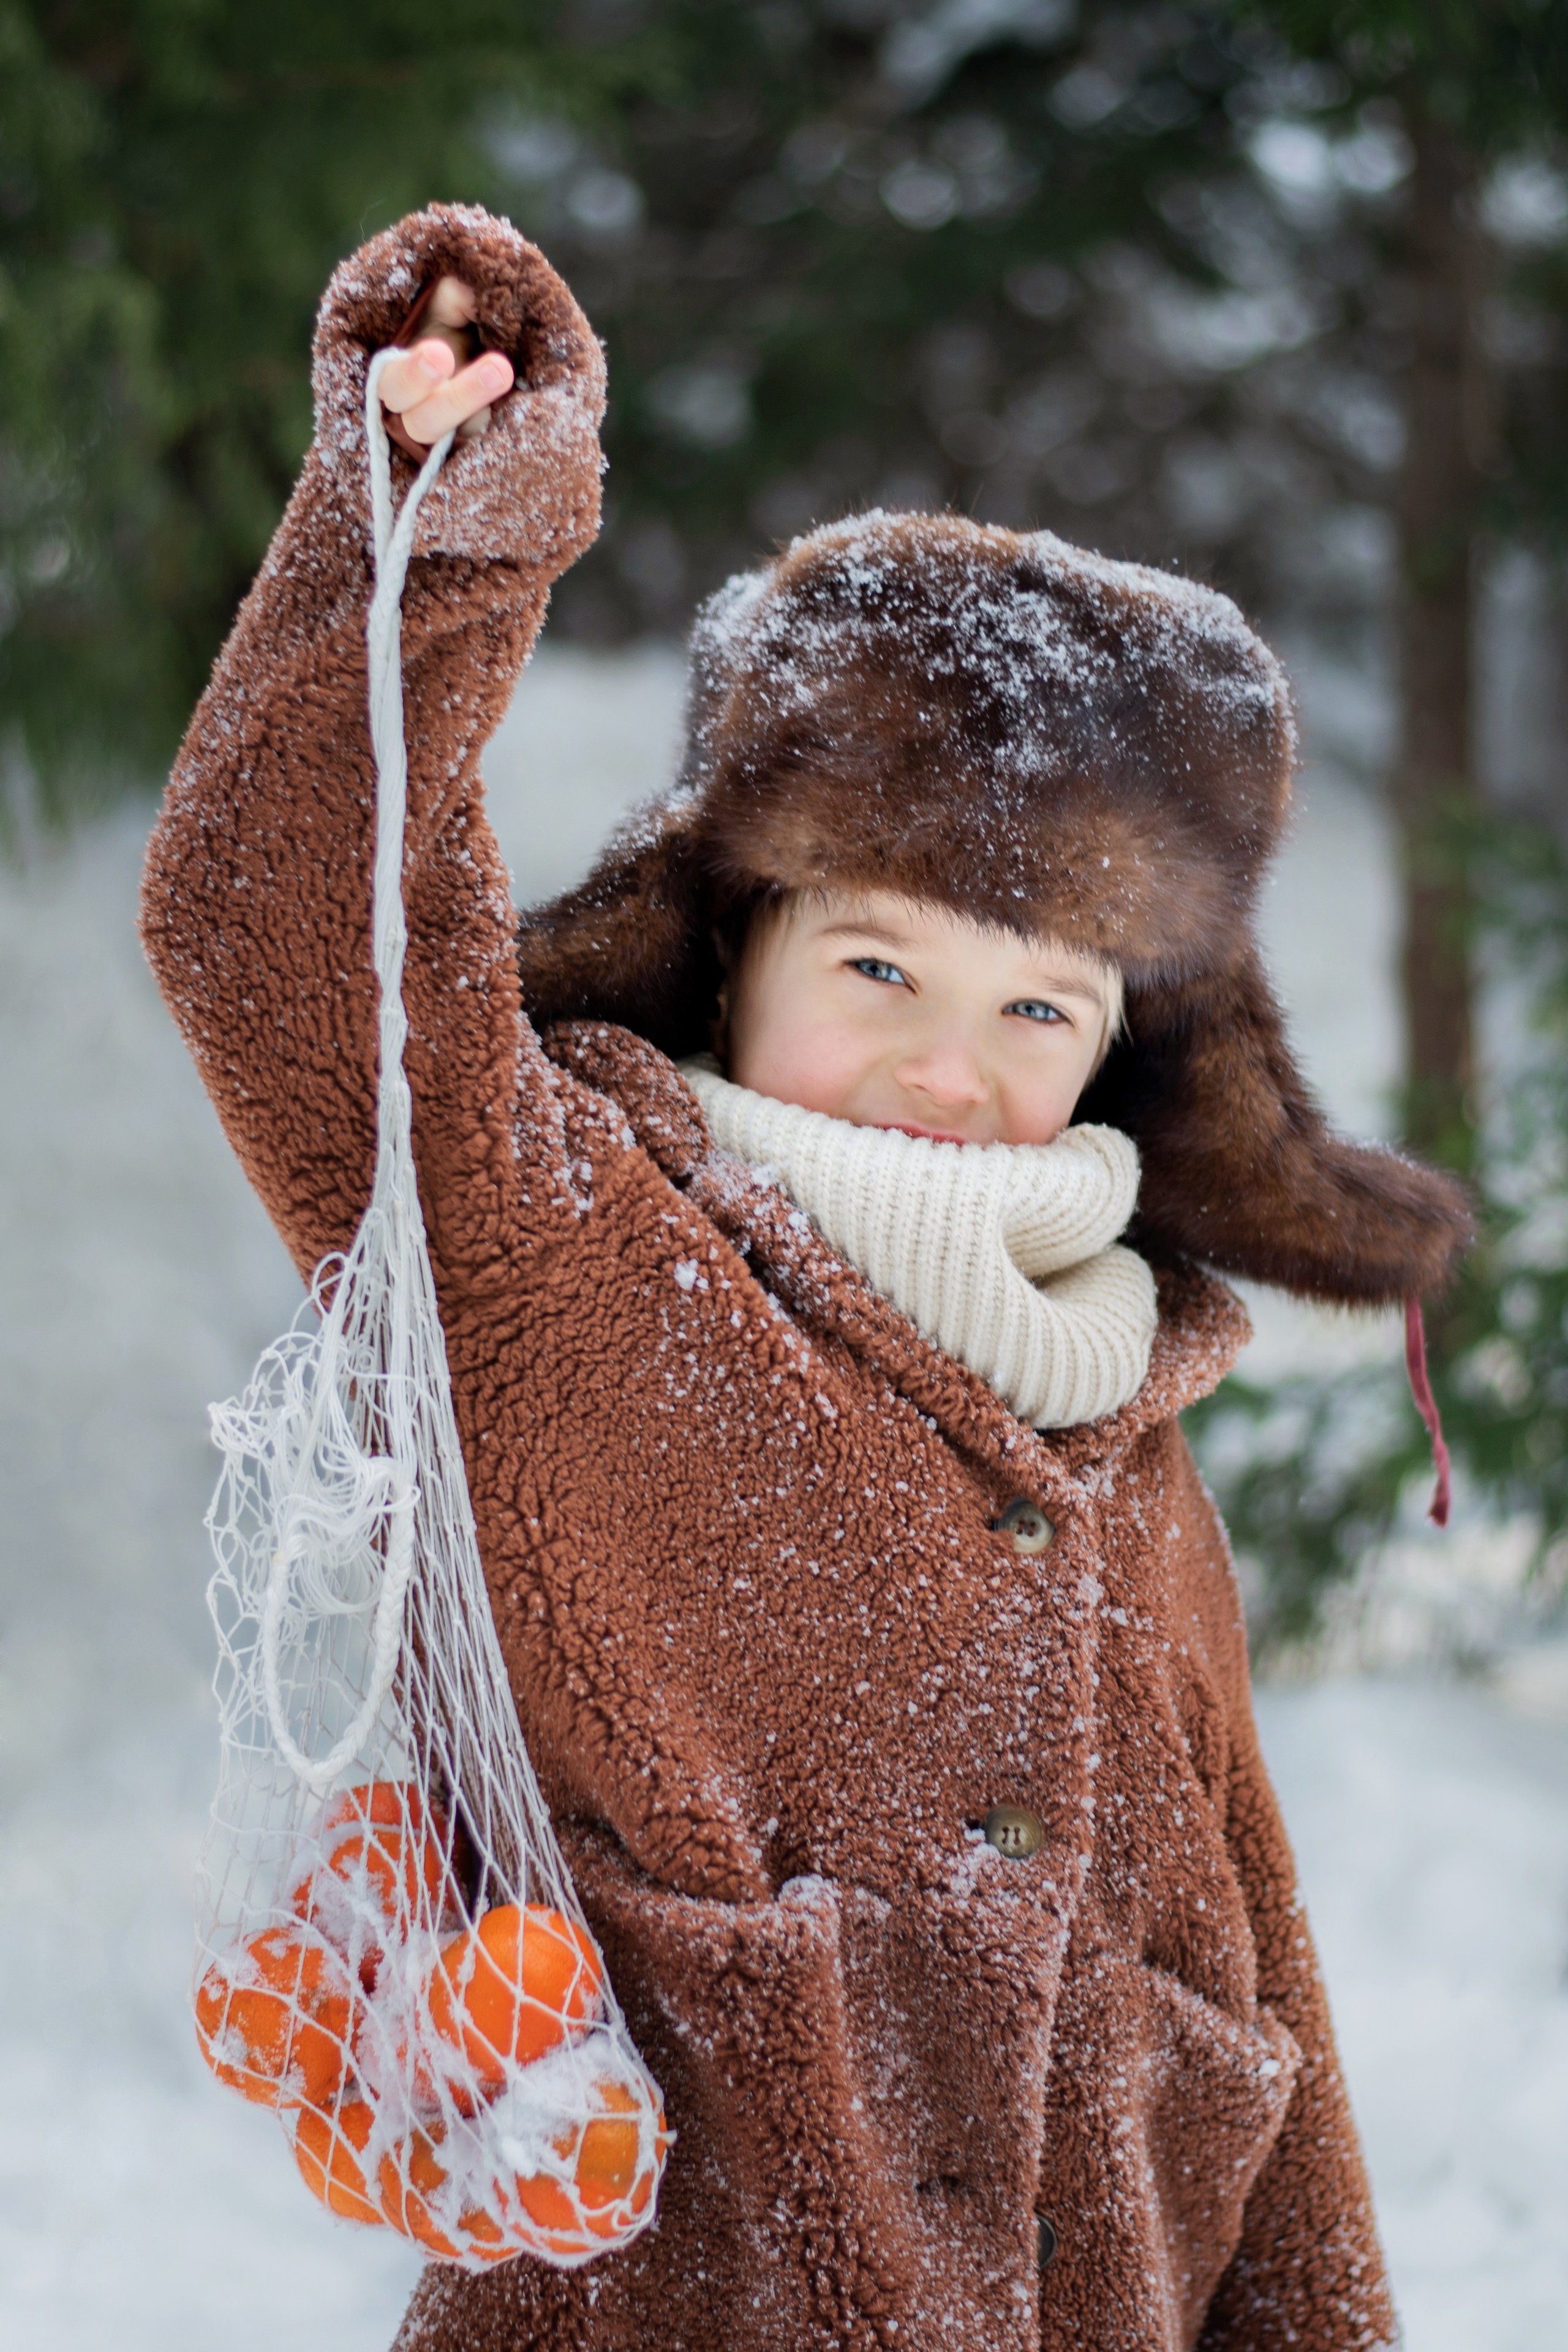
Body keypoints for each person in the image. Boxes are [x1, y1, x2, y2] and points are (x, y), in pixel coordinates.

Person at [141, 203, 1470, 2352]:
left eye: (1042, 1008)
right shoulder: (558, 1252)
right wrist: (436, 513)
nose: (956, 1070)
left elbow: (1264, 2030)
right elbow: (274, 916)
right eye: (878, 965)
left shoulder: (1126, 1430)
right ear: (727, 948)